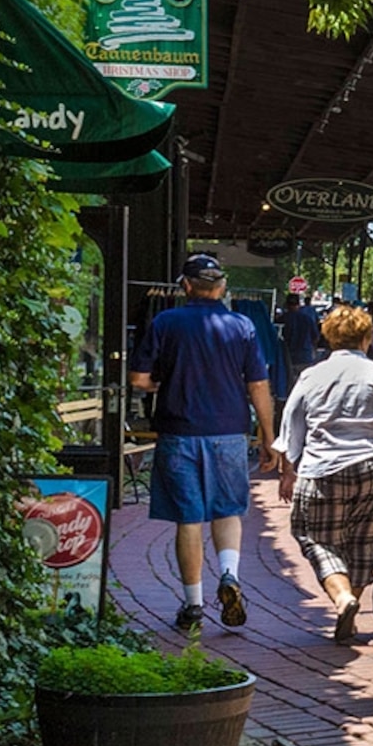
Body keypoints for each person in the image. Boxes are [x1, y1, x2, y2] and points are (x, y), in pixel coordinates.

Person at [130, 253, 281, 635]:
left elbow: (138, 379)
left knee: (189, 518)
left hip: (178, 432)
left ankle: (193, 604)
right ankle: (229, 575)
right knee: (228, 510)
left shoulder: (165, 322)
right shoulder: (242, 326)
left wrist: (162, 384)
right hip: (229, 432)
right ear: (222, 287)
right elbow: (258, 386)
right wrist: (268, 436)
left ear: (185, 286)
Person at [274, 303, 373, 644]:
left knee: (315, 536)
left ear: (328, 337)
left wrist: (287, 472)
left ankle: (342, 598)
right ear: (367, 338)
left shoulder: (312, 376)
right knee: (365, 543)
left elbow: (292, 427)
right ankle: (350, 614)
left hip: (323, 468)